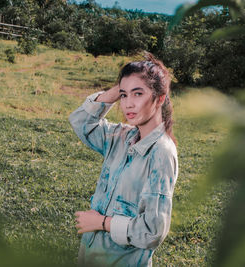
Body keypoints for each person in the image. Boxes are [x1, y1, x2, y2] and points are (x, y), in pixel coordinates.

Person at [69, 53, 178, 266]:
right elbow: (80, 121)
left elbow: (152, 232)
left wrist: (102, 223)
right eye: (124, 96)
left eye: (138, 94)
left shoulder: (161, 153)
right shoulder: (121, 137)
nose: (128, 104)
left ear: (160, 98)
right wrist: (114, 92)